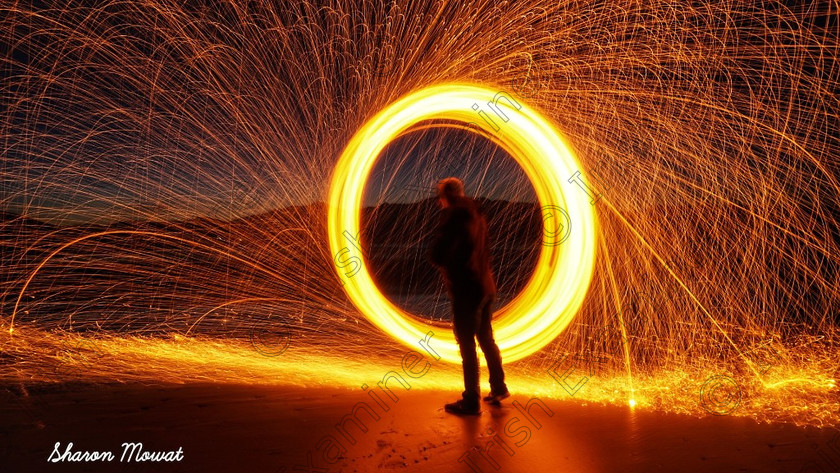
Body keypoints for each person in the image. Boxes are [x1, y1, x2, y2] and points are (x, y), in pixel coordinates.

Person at [429, 177, 509, 415]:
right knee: (486, 338)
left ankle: (471, 399)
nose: (439, 203)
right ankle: (498, 387)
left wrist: (437, 253)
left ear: (447, 197)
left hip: (467, 288)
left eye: (440, 198)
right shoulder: (477, 214)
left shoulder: (454, 216)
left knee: (466, 342)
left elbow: (439, 254)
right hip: (486, 285)